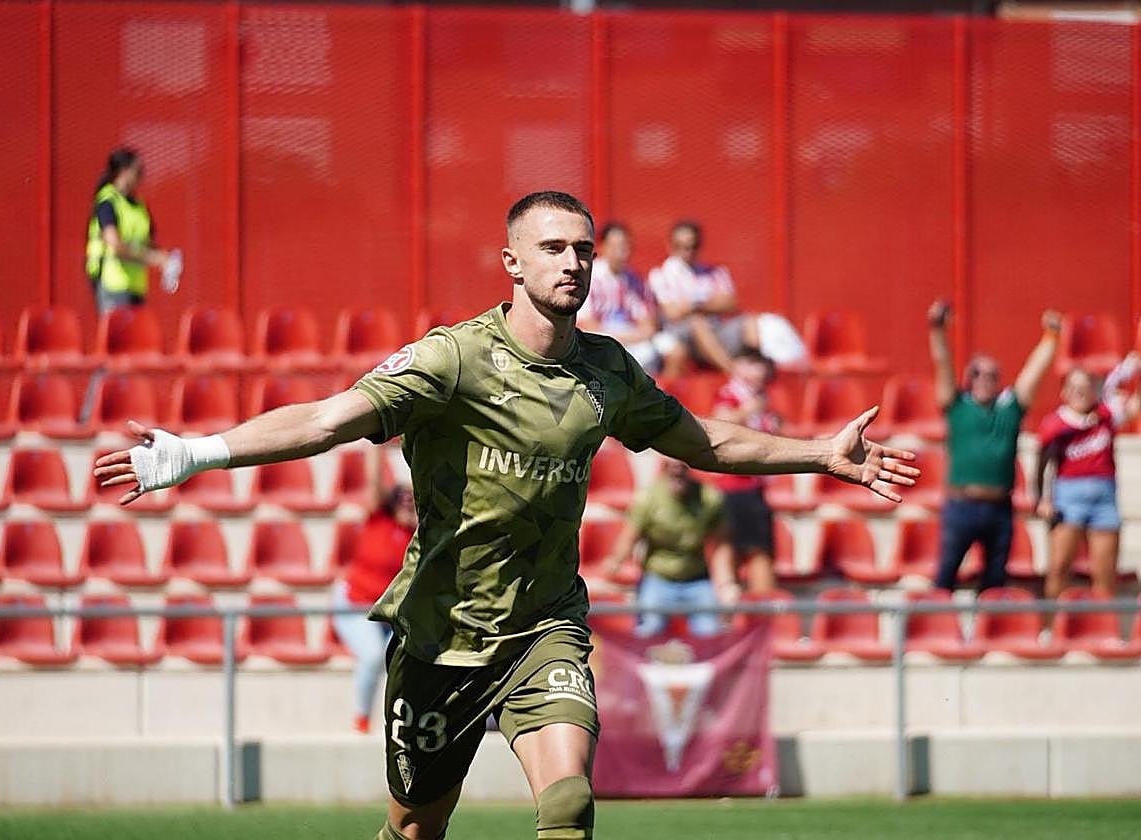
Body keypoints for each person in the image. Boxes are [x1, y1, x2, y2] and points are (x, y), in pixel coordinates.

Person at [95, 191, 918, 840]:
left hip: (544, 628)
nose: (573, 263)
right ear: (512, 262)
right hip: (440, 632)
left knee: (568, 803)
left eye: (584, 251)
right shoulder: (452, 359)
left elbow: (703, 442)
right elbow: (324, 420)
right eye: (554, 248)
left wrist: (817, 452)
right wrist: (190, 453)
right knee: (417, 824)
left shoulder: (608, 372)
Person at [928, 299, 1061, 592]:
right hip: (962, 505)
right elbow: (942, 363)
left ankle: (988, 633)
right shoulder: (957, 406)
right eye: (978, 374)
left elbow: (1032, 373)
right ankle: (933, 629)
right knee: (945, 576)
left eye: (992, 375)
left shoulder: (1009, 409)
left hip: (999, 507)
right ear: (968, 378)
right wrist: (937, 330)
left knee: (995, 582)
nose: (985, 380)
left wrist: (1051, 338)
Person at [1035, 353, 1140, 600]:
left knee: (1105, 574)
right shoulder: (1056, 423)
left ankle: (1104, 629)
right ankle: (1051, 628)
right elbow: (1042, 464)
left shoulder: (1106, 415)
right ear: (1064, 392)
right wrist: (1042, 498)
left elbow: (1134, 406)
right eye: (1074, 388)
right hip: (1068, 496)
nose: (1080, 393)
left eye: (1086, 387)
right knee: (1059, 568)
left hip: (1104, 498)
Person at [647, 220, 807, 373]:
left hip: (717, 330)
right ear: (670, 246)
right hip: (681, 336)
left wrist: (693, 305)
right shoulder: (660, 275)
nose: (687, 251)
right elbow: (673, 313)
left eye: (692, 246)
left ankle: (765, 370)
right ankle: (733, 373)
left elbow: (730, 303)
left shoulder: (714, 271)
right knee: (698, 323)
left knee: (751, 322)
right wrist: (709, 303)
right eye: (680, 246)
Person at [601, 458, 731, 637]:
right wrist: (615, 563)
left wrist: (726, 583)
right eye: (672, 466)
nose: (677, 471)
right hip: (658, 578)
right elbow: (630, 536)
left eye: (682, 467)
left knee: (709, 631)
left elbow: (721, 544)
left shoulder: (710, 498)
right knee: (649, 628)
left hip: (697, 578)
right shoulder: (649, 498)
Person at [334, 479, 416, 734]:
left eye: (412, 500)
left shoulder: (418, 536)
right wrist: (374, 441)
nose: (407, 503)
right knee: (371, 656)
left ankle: (405, 723)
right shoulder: (379, 519)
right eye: (402, 498)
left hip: (390, 614)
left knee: (412, 662)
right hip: (355, 605)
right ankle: (361, 719)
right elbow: (374, 479)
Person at [710, 348, 780, 598]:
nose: (759, 371)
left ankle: (757, 602)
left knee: (754, 547)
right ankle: (749, 601)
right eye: (752, 364)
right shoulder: (732, 395)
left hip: (754, 484)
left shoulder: (760, 398)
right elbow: (722, 422)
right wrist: (750, 410)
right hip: (735, 483)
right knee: (748, 548)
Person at [577, 223, 686, 376]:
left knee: (674, 350)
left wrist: (636, 337)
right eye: (616, 246)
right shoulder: (591, 276)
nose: (622, 251)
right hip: (601, 336)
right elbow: (586, 323)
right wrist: (622, 338)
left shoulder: (634, 279)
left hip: (633, 335)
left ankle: (660, 395)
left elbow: (648, 324)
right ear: (603, 247)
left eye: (625, 245)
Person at [85, 147, 175, 313]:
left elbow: (148, 242)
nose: (143, 175)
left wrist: (167, 259)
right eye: (138, 170)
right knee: (119, 337)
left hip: (136, 286)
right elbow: (116, 246)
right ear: (124, 172)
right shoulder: (108, 202)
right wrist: (154, 258)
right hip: (113, 283)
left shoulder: (139, 205)